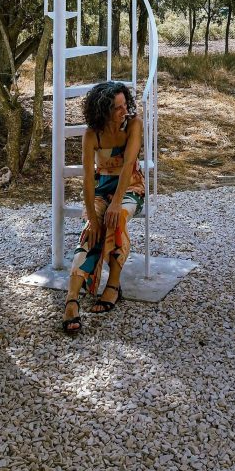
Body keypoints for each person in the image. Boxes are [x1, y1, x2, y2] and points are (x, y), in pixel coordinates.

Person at [62, 81, 144, 333]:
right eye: (117, 107)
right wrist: (93, 218)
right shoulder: (92, 135)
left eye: (124, 104)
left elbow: (128, 164)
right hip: (101, 189)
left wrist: (116, 203)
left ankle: (113, 285)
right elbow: (88, 178)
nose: (124, 110)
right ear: (103, 111)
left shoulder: (133, 124)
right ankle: (72, 300)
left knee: (116, 218)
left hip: (130, 187)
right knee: (90, 232)